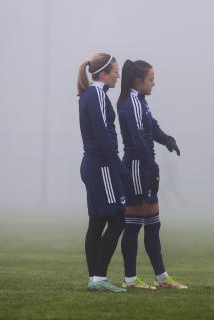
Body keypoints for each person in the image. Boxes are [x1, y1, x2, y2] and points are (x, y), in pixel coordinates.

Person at [116, 59, 187, 289]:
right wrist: (151, 165)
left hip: (146, 165)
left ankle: (162, 278)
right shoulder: (131, 103)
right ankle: (130, 279)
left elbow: (151, 126)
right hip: (137, 168)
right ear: (138, 81)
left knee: (153, 224)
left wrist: (166, 139)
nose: (154, 83)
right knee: (134, 225)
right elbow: (137, 140)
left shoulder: (141, 102)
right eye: (151, 79)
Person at [77, 53, 129, 292]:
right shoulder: (96, 95)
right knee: (118, 220)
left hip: (94, 165)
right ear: (104, 73)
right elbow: (102, 136)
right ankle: (98, 278)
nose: (118, 75)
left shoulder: (91, 95)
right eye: (115, 70)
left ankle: (94, 279)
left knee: (97, 222)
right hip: (101, 167)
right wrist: (119, 168)